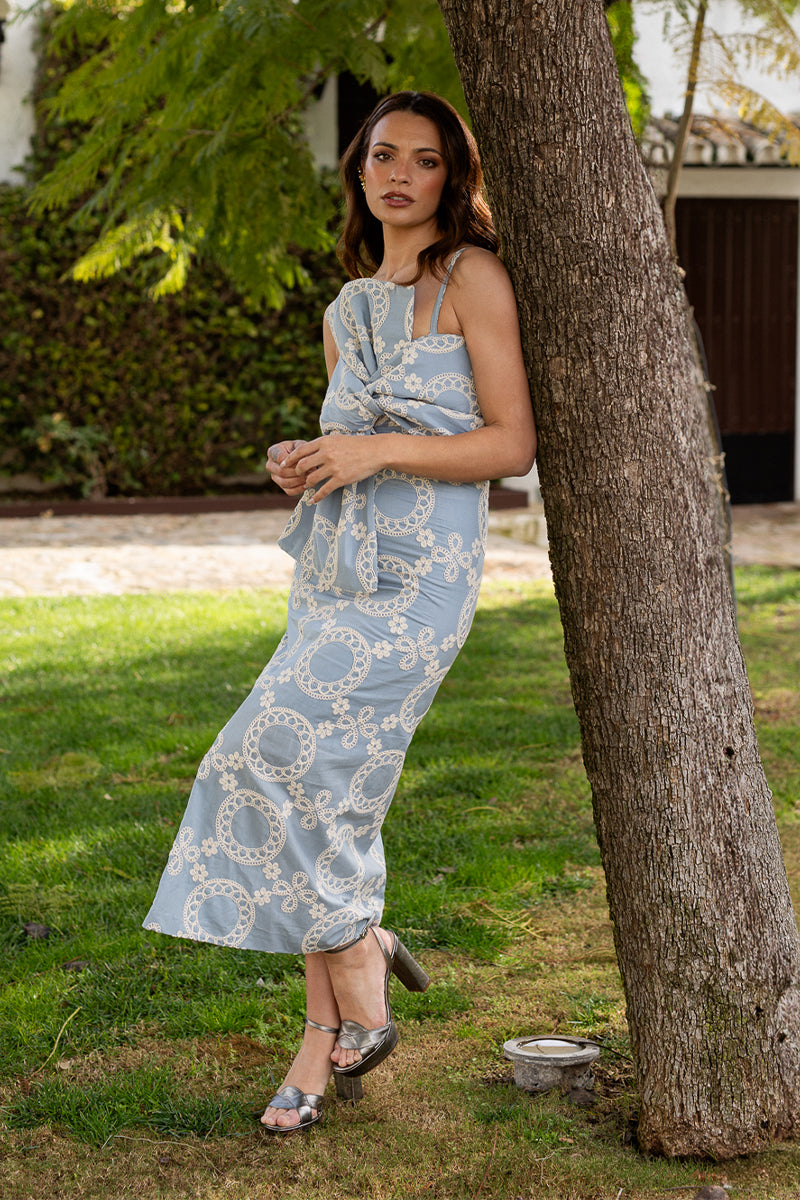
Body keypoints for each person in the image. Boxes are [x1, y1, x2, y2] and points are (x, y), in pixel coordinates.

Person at [143, 90, 536, 1134]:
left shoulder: (472, 277)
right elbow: (348, 448)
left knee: (259, 756)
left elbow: (509, 445)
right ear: (359, 170)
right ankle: (330, 1024)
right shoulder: (345, 311)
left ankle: (359, 955)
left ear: (451, 177)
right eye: (382, 156)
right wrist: (306, 461)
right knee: (314, 789)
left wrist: (371, 449)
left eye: (423, 159)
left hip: (421, 585)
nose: (398, 174)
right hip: (335, 577)